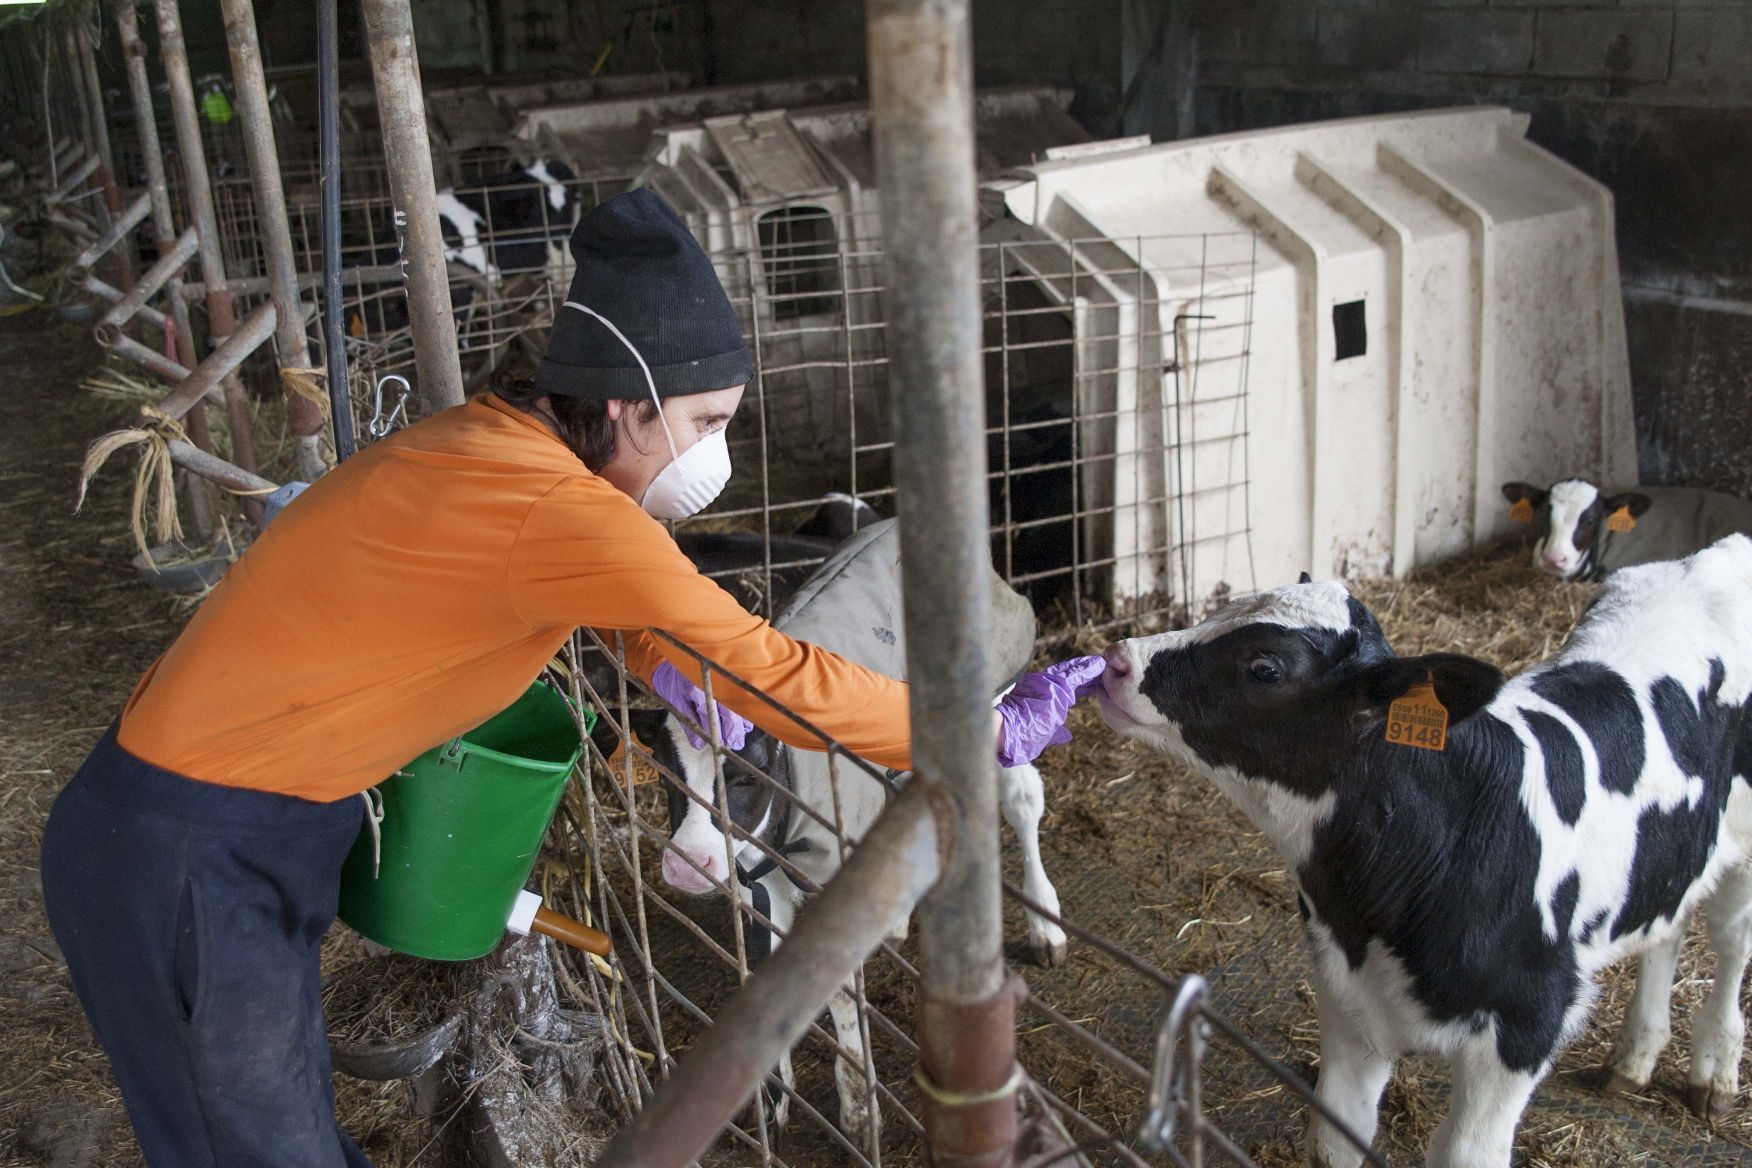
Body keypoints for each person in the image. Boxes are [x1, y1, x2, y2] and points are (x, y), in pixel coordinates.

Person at [38, 189, 1102, 1167]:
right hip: (191, 848)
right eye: (706, 423)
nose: (715, 455)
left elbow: (626, 617)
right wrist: (971, 731)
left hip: (202, 823)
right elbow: (770, 670)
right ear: (631, 404)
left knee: (266, 1133)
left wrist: (664, 660)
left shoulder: (496, 445)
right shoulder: (567, 509)